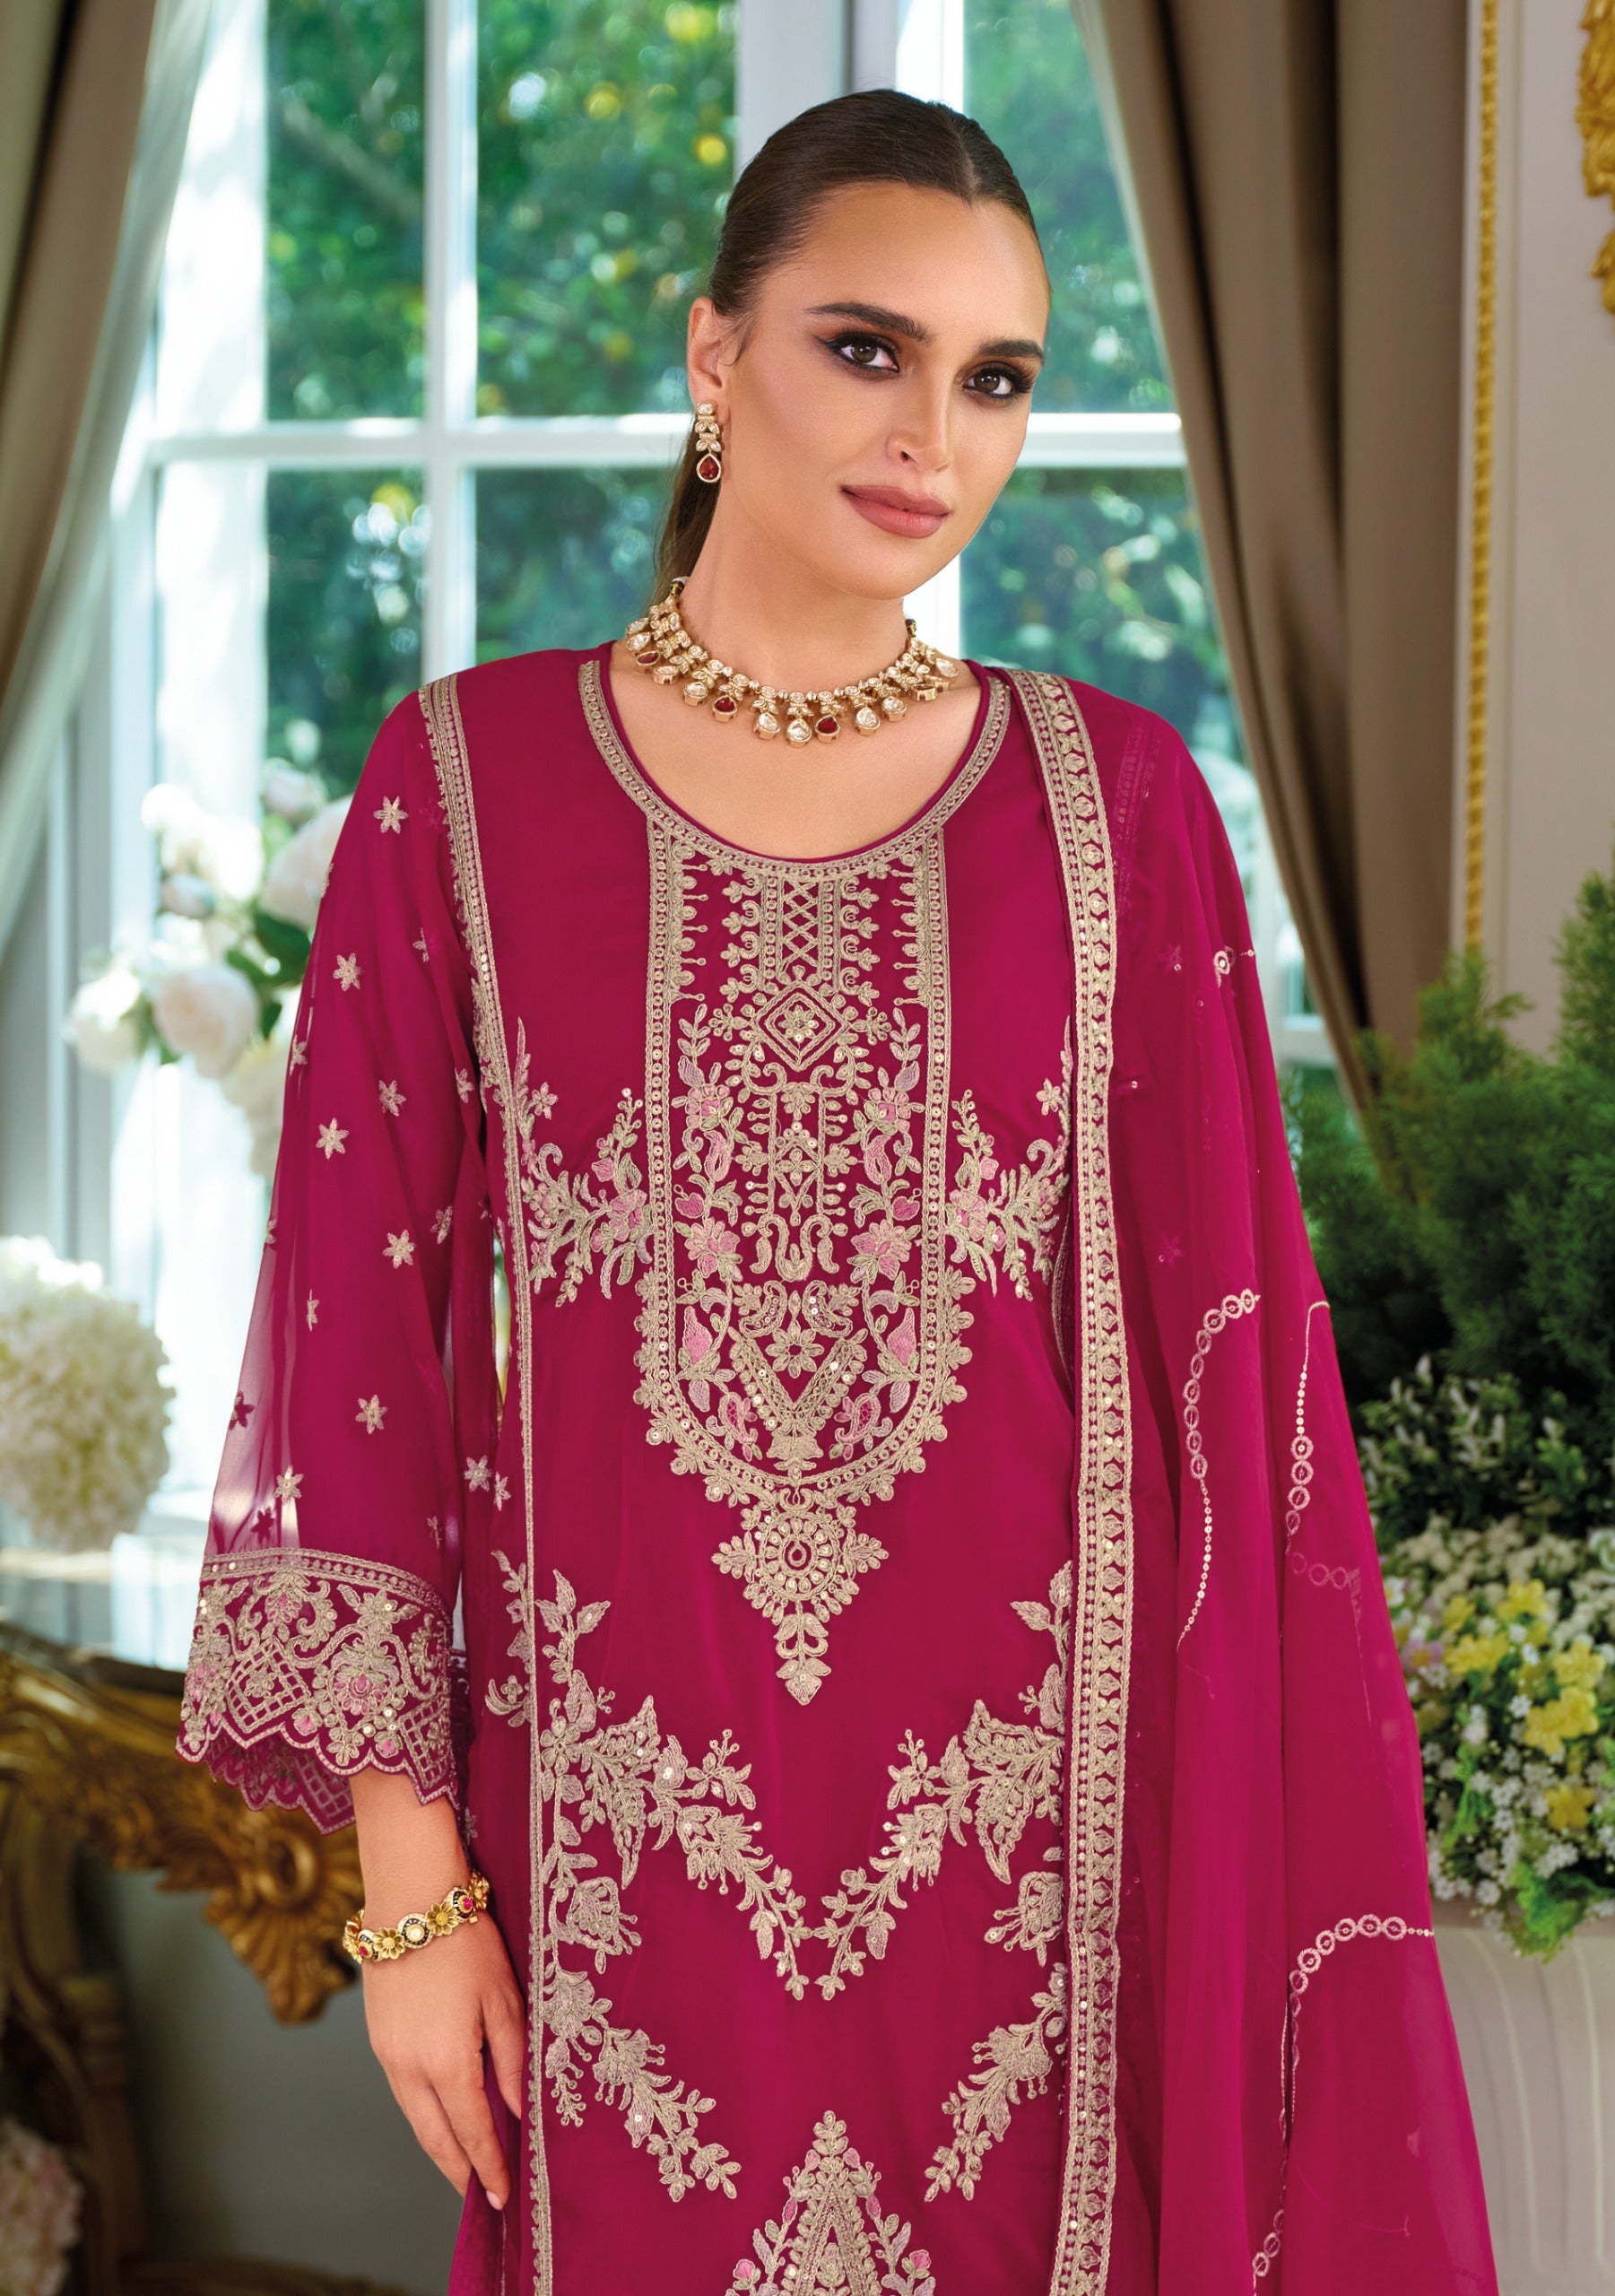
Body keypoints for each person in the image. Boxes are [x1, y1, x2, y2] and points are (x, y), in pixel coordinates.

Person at [176, 87, 1498, 2296]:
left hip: (1044, 1880)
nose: (932, 435)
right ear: (713, 360)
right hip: (621, 1872)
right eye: (864, 348)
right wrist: (413, 1893)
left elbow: (1224, 1399)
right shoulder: (467, 790)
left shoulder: (1121, 809)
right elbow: (350, 1353)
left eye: (994, 378)